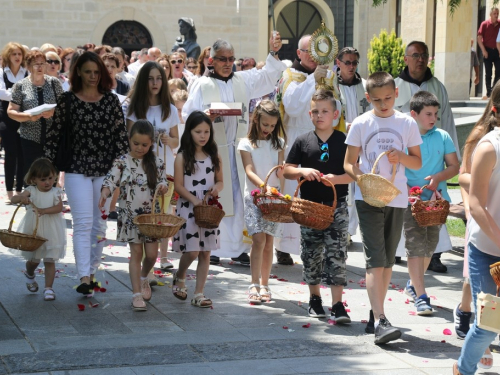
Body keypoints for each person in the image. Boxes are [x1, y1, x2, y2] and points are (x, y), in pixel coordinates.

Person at [183, 35, 286, 264]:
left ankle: (238, 249)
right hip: (213, 151)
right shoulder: (202, 84)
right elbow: (186, 115)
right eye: (222, 59)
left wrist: (273, 52)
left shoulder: (242, 80)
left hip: (238, 150)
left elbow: (267, 77)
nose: (228, 63)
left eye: (231, 58)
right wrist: (205, 117)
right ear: (211, 60)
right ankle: (214, 247)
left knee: (239, 200)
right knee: (216, 196)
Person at [344, 72, 422, 344]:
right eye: (376, 99)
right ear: (367, 98)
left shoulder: (406, 123)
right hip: (367, 199)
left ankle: (376, 312)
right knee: (375, 258)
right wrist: (362, 180)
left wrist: (400, 156)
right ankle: (380, 320)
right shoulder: (362, 123)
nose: (383, 103)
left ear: (396, 94)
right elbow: (348, 163)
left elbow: (417, 163)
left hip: (396, 198)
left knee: (388, 260)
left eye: (388, 98)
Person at [44, 51, 129, 296]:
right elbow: (54, 136)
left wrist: (119, 174)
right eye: (88, 71)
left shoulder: (111, 101)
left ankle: (91, 273)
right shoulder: (67, 100)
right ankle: (83, 275)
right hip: (76, 169)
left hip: (105, 171)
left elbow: (121, 142)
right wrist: (44, 169)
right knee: (83, 223)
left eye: (96, 72)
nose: (92, 76)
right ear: (78, 72)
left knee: (99, 226)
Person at [284, 89, 352, 321]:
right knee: (311, 252)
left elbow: (354, 174)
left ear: (335, 114)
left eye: (325, 111)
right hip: (309, 207)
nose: (320, 115)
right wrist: (301, 170)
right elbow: (287, 170)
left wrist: (336, 179)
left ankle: (338, 303)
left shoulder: (344, 140)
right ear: (309, 114)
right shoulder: (303, 141)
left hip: (336, 206)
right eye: (315, 111)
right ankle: (314, 299)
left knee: (337, 253)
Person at [274, 34, 341, 266]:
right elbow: (292, 107)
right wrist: (313, 80)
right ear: (299, 53)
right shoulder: (290, 75)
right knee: (294, 190)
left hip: (323, 138)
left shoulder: (329, 76)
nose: (313, 57)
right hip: (296, 136)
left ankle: (316, 244)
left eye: (317, 52)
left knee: (317, 189)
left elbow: (338, 109)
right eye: (308, 51)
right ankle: (283, 246)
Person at [395, 40, 460, 273]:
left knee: (434, 210)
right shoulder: (395, 86)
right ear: (406, 59)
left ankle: (434, 256)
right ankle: (397, 253)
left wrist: (453, 156)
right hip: (407, 165)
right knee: (405, 212)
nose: (420, 59)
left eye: (424, 55)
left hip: (434, 160)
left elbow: (448, 122)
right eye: (415, 55)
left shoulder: (438, 86)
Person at [453, 85, 500, 375]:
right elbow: (477, 204)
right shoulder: (489, 147)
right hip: (486, 251)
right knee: (489, 325)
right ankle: (463, 370)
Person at [100, 120, 168, 311]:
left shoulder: (157, 162)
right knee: (136, 253)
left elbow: (164, 182)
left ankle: (144, 277)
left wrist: (163, 187)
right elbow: (110, 180)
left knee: (152, 255)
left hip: (151, 218)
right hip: (130, 215)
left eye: (144, 145)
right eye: (136, 143)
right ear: (129, 140)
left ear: (151, 144)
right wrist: (105, 192)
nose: (140, 148)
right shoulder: (122, 162)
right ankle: (136, 294)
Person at [402, 91, 459, 315]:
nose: (433, 118)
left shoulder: (443, 136)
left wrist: (438, 178)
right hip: (411, 201)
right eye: (428, 114)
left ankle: (413, 284)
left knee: (429, 246)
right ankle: (421, 295)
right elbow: (398, 170)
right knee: (415, 246)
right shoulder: (406, 137)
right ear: (414, 114)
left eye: (436, 113)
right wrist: (409, 191)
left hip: (436, 202)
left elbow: (455, 167)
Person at [125, 61, 180, 275]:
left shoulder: (170, 109)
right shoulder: (135, 108)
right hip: (140, 171)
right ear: (143, 81)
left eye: (159, 78)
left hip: (163, 171)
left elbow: (177, 140)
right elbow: (130, 141)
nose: (155, 83)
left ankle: (151, 266)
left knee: (160, 218)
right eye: (150, 78)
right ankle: (140, 269)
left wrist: (169, 140)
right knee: (141, 219)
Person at [172, 111, 223, 308]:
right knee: (192, 251)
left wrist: (216, 189)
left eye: (206, 132)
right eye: (198, 131)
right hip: (189, 206)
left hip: (208, 208)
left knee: (206, 252)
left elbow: (220, 181)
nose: (203, 136)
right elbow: (178, 186)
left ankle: (199, 293)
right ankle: (180, 275)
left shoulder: (213, 155)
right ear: (189, 132)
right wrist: (194, 199)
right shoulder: (182, 156)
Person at [237, 100, 286, 304]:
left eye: (273, 126)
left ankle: (265, 284)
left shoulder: (280, 143)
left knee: (269, 242)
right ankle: (254, 283)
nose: (268, 129)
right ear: (256, 120)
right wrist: (263, 185)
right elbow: (249, 170)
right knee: (258, 240)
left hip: (273, 199)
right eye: (265, 124)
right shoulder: (245, 143)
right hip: (255, 197)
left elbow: (281, 169)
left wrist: (281, 178)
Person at [10, 158, 66, 301]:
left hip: (52, 230)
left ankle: (48, 288)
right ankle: (29, 273)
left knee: (50, 259)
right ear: (34, 179)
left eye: (50, 178)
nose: (47, 182)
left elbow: (59, 207)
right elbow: (14, 199)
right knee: (34, 260)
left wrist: (44, 210)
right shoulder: (31, 191)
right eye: (43, 179)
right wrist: (22, 198)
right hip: (34, 230)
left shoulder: (55, 192)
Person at [333, 46, 371, 240]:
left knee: (358, 186)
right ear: (338, 63)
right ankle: (342, 230)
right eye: (347, 62)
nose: (351, 66)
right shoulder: (331, 85)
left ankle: (350, 231)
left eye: (354, 62)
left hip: (362, 143)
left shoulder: (365, 86)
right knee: (344, 185)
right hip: (339, 141)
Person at [7, 50, 63, 177]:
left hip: (52, 139)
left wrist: (53, 113)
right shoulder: (20, 85)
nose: (40, 67)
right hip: (29, 138)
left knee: (51, 176)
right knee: (31, 176)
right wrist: (28, 117)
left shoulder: (54, 83)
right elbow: (11, 111)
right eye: (36, 64)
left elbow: (65, 108)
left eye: (43, 63)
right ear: (28, 66)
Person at [0, 42, 28, 202]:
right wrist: (19, 95)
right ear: (8, 56)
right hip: (6, 119)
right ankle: (10, 191)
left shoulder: (26, 73)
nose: (17, 57)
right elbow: (1, 93)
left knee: (22, 155)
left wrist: (12, 94)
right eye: (14, 54)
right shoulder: (2, 73)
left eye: (19, 54)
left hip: (23, 119)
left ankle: (19, 190)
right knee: (10, 155)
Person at [478, 7, 500, 99]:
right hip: (487, 50)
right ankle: (489, 92)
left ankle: (494, 91)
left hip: (497, 51)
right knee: (488, 73)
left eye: (497, 14)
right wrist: (483, 50)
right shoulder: (484, 24)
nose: (496, 15)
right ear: (490, 15)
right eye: (494, 14)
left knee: (498, 71)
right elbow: (479, 38)